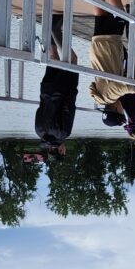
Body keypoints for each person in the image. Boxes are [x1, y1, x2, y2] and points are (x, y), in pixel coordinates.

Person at [35, 13, 78, 160]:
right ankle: (48, 26)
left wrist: (73, 90)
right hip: (45, 91)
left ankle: (55, 30)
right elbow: (39, 110)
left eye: (64, 152)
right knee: (54, 58)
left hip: (63, 90)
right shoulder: (39, 132)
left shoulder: (63, 133)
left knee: (72, 60)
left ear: (61, 151)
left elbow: (69, 108)